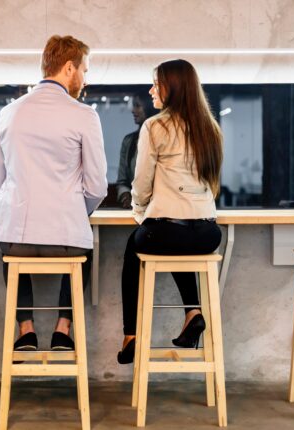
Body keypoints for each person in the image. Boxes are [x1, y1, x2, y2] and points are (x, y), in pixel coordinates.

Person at [0, 35, 108, 352]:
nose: (85, 77)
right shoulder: (84, 115)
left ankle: (25, 329)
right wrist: (76, 213)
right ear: (69, 68)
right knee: (85, 247)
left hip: (17, 238)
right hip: (65, 242)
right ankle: (63, 329)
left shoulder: (8, 113)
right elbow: (96, 187)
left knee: (10, 249)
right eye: (85, 70)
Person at [117, 59, 223, 364]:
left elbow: (141, 182)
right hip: (207, 233)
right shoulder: (210, 129)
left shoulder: (155, 126)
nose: (151, 90)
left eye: (156, 83)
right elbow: (212, 183)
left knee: (143, 241)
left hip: (168, 231)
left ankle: (132, 335)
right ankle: (193, 312)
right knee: (173, 238)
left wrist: (140, 213)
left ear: (172, 88)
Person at [115, 92, 156, 208]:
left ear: (150, 107)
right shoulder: (128, 141)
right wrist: (125, 195)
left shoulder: (164, 139)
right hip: (136, 210)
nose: (133, 110)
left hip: (160, 211)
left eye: (137, 105)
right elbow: (122, 182)